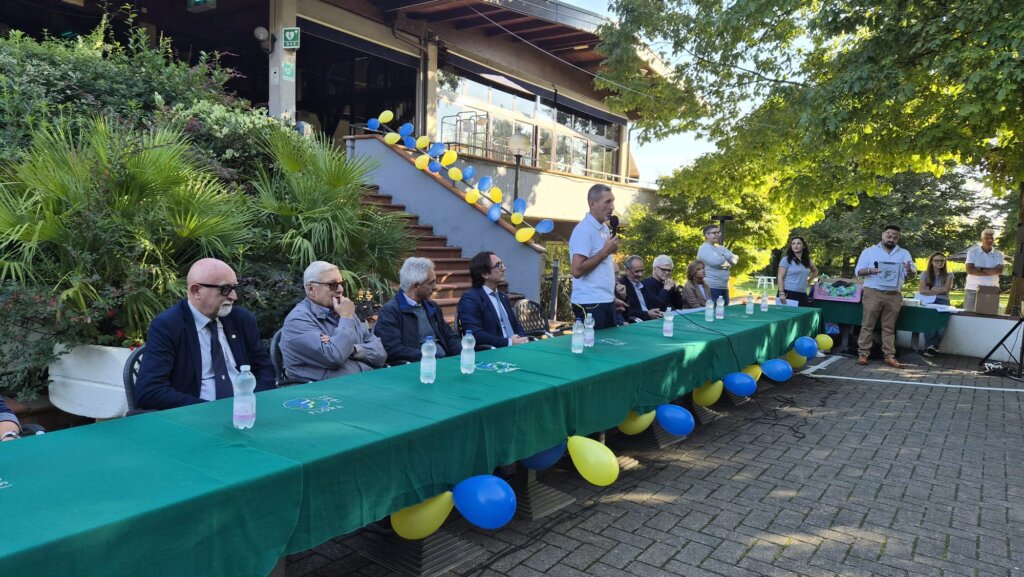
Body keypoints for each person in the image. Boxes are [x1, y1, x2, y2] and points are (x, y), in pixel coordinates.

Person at [134, 258, 275, 410]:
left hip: (247, 411)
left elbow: (265, 370)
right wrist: (208, 410)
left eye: (234, 288)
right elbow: (150, 391)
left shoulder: (242, 320)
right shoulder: (168, 326)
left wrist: (250, 401)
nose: (234, 296)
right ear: (196, 291)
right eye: (225, 289)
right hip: (195, 414)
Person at [279, 261, 387, 381]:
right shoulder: (297, 320)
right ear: (311, 288)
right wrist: (346, 319)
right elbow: (334, 357)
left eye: (341, 284)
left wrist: (352, 349)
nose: (340, 289)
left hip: (364, 381)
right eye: (332, 285)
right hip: (326, 390)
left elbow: (380, 354)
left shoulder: (343, 311)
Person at [374, 257, 462, 364]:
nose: (435, 287)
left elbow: (450, 336)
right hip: (418, 366)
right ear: (415, 286)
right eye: (430, 283)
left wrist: (462, 354)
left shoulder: (432, 307)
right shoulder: (390, 311)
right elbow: (392, 349)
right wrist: (429, 356)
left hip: (444, 362)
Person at [854, 225, 917, 368]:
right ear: (882, 235)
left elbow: (912, 276)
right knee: (867, 325)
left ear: (898, 238)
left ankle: (889, 356)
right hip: (873, 292)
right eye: (889, 235)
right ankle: (863, 354)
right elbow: (858, 271)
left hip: (894, 295)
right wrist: (871, 270)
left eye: (895, 236)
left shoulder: (904, 253)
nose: (891, 238)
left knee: (889, 328)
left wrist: (909, 270)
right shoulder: (869, 251)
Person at [569, 184, 619, 329]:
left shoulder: (604, 228)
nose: (612, 207)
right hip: (590, 302)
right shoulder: (584, 230)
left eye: (612, 201)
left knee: (609, 342)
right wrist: (605, 252)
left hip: (605, 300)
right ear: (593, 204)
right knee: (593, 343)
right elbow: (576, 270)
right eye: (607, 202)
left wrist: (611, 297)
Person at [457, 251, 529, 349]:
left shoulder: (503, 297)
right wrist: (509, 342)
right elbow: (475, 334)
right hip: (493, 351)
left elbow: (516, 325)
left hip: (516, 348)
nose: (504, 268)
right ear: (485, 274)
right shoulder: (470, 299)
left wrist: (522, 339)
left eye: (502, 264)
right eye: (498, 265)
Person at [918, 252, 953, 357]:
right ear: (931, 262)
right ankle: (930, 347)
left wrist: (932, 288)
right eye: (937, 260)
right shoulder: (925, 274)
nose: (940, 262)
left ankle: (934, 346)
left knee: (941, 325)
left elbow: (946, 290)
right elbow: (922, 290)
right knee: (929, 322)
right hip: (928, 301)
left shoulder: (949, 274)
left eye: (942, 260)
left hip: (943, 301)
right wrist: (938, 290)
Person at [697, 224, 739, 304]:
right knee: (713, 310)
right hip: (711, 287)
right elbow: (717, 262)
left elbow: (735, 260)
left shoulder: (720, 248)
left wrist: (726, 258)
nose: (717, 234)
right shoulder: (704, 248)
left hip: (724, 287)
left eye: (718, 232)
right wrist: (728, 259)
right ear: (706, 235)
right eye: (714, 233)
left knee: (725, 310)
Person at [964, 229, 1004, 312]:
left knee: (989, 315)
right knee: (969, 315)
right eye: (986, 238)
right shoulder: (972, 252)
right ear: (981, 238)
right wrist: (992, 271)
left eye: (991, 238)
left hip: (992, 289)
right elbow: (970, 270)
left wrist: (980, 269)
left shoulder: (999, 254)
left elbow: (999, 271)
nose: (989, 240)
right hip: (972, 288)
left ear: (994, 239)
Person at [777, 236, 819, 306]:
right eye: (793, 244)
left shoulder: (808, 261)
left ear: (803, 246)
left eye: (798, 243)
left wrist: (808, 281)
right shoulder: (786, 260)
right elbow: (780, 277)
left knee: (804, 312)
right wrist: (781, 293)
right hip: (787, 293)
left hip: (802, 293)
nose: (795, 245)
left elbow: (815, 271)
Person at [619, 255, 663, 321]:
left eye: (642, 271)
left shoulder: (643, 283)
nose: (640, 274)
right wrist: (647, 314)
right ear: (626, 270)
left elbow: (654, 303)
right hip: (635, 322)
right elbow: (625, 310)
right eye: (637, 271)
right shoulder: (621, 285)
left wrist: (657, 312)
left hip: (650, 319)